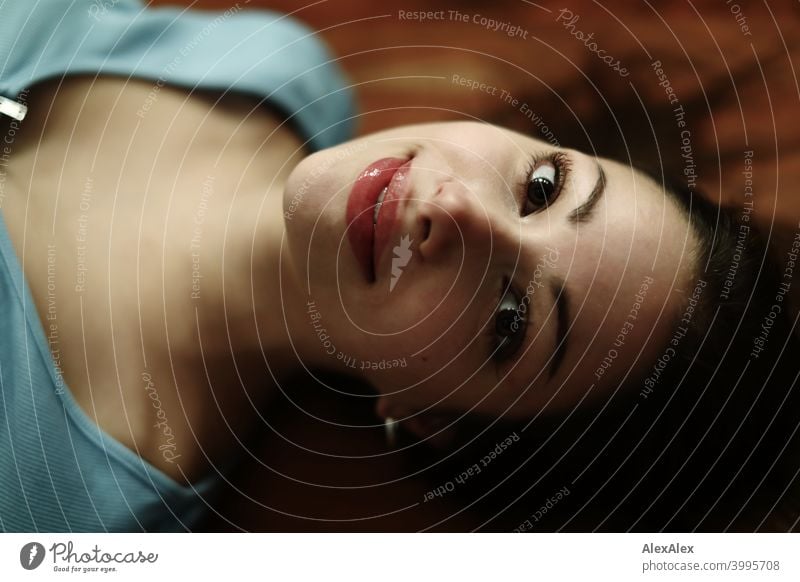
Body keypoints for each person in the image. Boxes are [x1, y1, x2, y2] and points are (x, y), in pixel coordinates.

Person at [1, 1, 797, 532]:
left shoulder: (55, 498)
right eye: (544, 187)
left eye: (510, 322)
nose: (458, 213)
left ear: (432, 418)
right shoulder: (280, 71)